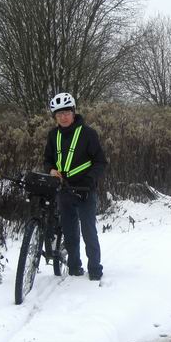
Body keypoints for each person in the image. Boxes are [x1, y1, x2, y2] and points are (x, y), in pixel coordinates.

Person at [43, 92, 108, 280]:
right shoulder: (53, 135)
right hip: (64, 190)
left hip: (85, 190)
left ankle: (95, 269)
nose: (63, 117)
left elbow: (100, 162)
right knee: (70, 232)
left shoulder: (88, 134)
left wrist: (90, 179)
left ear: (73, 112)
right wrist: (50, 170)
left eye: (66, 113)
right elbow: (47, 159)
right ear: (55, 116)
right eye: (59, 114)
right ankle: (74, 267)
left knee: (89, 232)